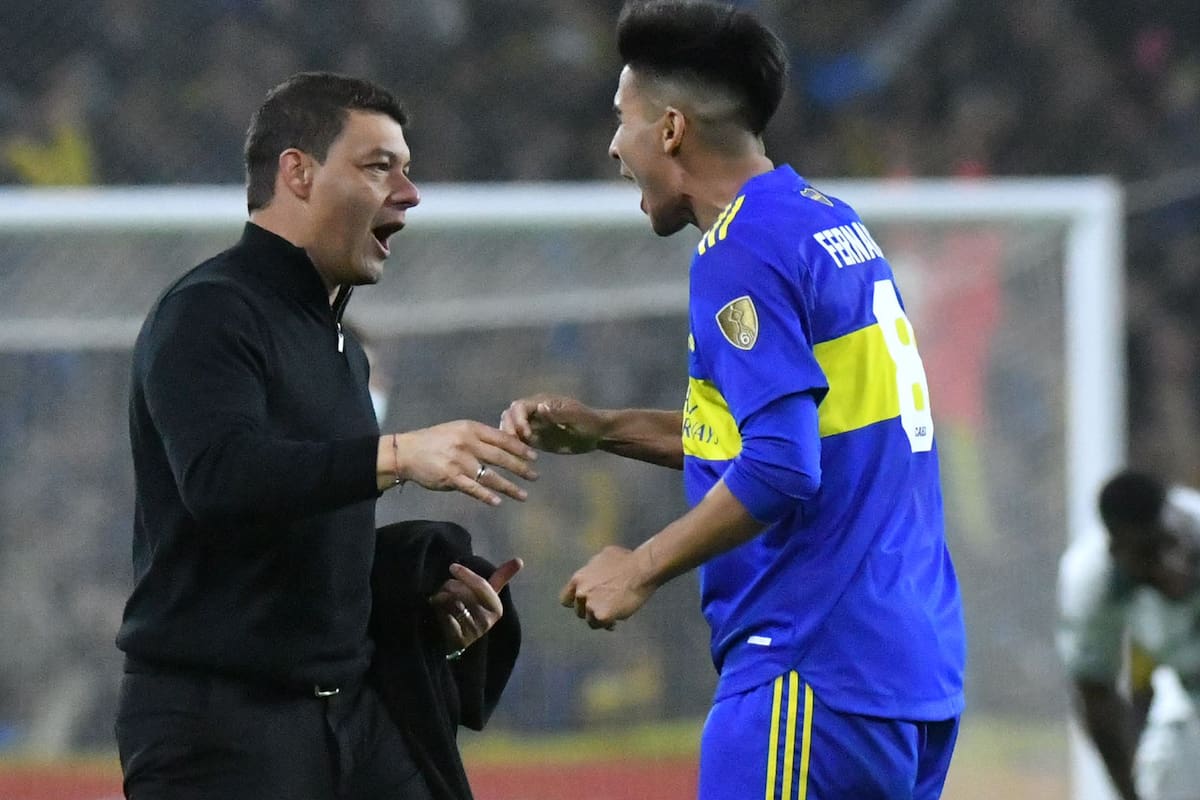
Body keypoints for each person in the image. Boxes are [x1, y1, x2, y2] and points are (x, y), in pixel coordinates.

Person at [500, 3, 965, 798]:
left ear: (672, 130)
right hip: (905, 671)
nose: (615, 146)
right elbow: (803, 434)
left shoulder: (739, 248)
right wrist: (606, 429)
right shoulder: (825, 222)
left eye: (623, 121)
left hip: (807, 666)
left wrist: (638, 567)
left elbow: (784, 468)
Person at [114, 72, 539, 800]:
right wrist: (399, 454)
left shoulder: (343, 347)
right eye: (380, 167)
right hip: (220, 731)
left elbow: (301, 526)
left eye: (407, 170)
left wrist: (416, 604)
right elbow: (221, 479)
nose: (409, 194)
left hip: (350, 715)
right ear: (298, 172)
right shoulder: (210, 312)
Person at [1057, 469, 1200, 800]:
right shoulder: (1090, 581)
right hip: (1184, 693)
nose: (1170, 564)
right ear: (1117, 552)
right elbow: (1095, 692)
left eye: (1172, 542)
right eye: (1150, 553)